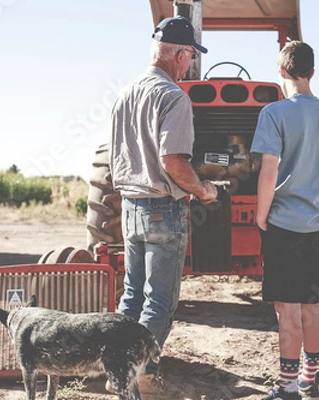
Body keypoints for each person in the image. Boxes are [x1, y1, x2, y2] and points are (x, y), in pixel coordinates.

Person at [109, 15, 218, 396]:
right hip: (163, 208)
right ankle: (142, 375)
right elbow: (174, 161)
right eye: (190, 56)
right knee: (160, 299)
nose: (190, 64)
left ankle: (116, 369)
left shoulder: (125, 94)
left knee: (132, 294)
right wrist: (203, 189)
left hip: (130, 206)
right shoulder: (173, 96)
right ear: (180, 54)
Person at [250, 41, 319, 400]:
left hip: (284, 226)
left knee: (286, 310)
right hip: (317, 224)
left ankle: (287, 389)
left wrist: (260, 215)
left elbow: (269, 172)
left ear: (282, 72)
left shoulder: (274, 113)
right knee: (311, 305)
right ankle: (309, 380)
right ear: (312, 73)